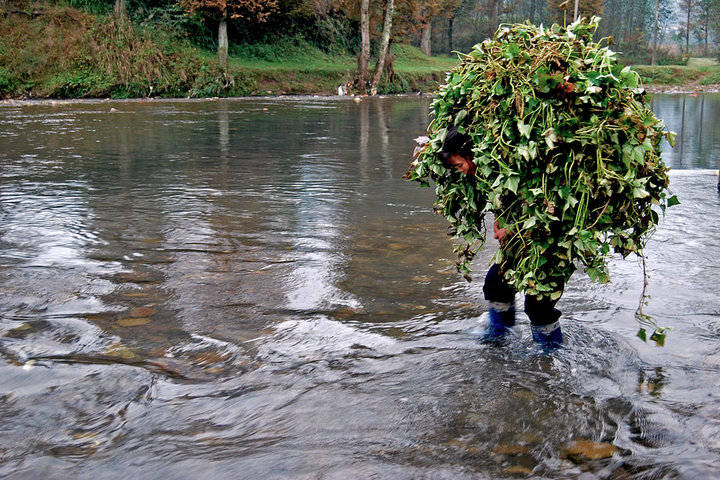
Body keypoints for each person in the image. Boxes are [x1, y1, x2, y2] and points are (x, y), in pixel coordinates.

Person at [441, 127, 564, 349]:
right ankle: (499, 335)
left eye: (459, 165)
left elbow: (543, 200)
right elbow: (504, 199)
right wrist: (500, 219)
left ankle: (550, 355)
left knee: (539, 305)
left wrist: (515, 228)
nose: (460, 171)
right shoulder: (492, 170)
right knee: (496, 285)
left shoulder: (522, 164)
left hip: (550, 242)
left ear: (469, 154)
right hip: (519, 245)